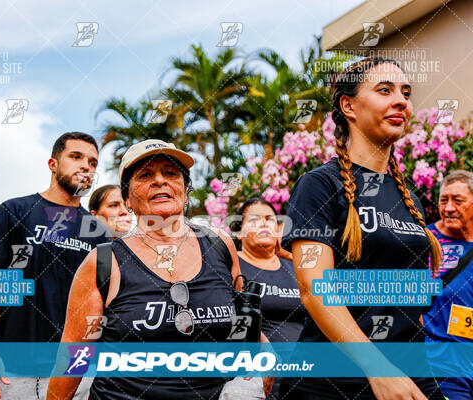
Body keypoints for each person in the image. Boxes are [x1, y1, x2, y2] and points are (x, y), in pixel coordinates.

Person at [47, 139, 273, 400]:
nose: (159, 181)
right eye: (145, 175)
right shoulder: (103, 263)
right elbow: (74, 358)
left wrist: (263, 350)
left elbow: (243, 314)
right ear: (127, 199)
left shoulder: (219, 244)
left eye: (170, 172)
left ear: (185, 190)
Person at [280, 57, 444, 399]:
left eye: (406, 92)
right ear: (348, 105)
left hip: (408, 373)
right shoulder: (318, 186)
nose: (401, 100)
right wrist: (376, 368)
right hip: (332, 382)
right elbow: (314, 289)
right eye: (384, 90)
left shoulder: (409, 195)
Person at [0, 132, 111, 400]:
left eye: (93, 162)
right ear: (53, 164)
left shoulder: (98, 232)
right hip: (9, 371)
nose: (86, 166)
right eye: (76, 157)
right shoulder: (14, 211)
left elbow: (100, 305)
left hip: (73, 371)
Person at [234, 197, 306, 399]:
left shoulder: (295, 268)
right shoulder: (233, 265)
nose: (264, 223)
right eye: (254, 219)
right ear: (239, 233)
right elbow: (232, 315)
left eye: (269, 219)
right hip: (259, 379)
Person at [422, 170, 473, 399]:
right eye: (444, 200)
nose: (449, 208)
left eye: (458, 200)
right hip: (442, 367)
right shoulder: (423, 241)